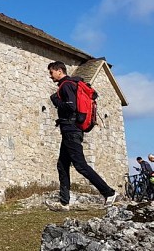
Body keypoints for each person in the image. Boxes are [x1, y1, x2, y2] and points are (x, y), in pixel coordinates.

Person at [45, 61, 118, 211]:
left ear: (59, 71)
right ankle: (64, 202)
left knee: (80, 165)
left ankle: (109, 193)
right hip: (71, 130)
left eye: (51, 72)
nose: (50, 76)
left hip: (71, 130)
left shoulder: (66, 86)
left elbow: (71, 106)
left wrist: (56, 100)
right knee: (62, 164)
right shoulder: (71, 84)